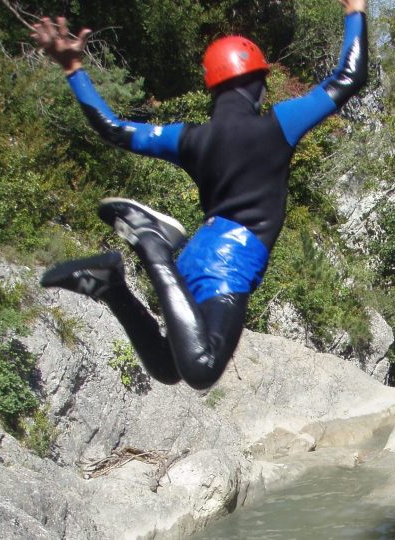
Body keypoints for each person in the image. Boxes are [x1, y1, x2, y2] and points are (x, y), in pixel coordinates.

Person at [32, 0, 368, 390]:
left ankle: (111, 287)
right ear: (258, 82)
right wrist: (356, 10)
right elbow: (349, 76)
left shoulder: (190, 138)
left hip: (202, 250)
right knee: (201, 368)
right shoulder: (278, 126)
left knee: (168, 364)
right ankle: (152, 244)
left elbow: (114, 129)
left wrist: (73, 69)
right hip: (233, 255)